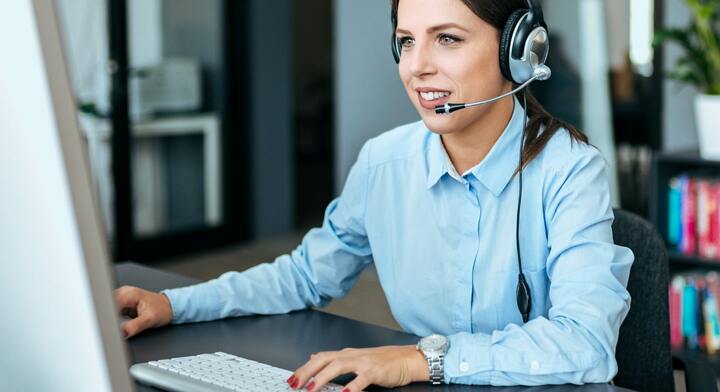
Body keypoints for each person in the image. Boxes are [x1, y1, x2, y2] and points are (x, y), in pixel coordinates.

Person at [115, 0, 634, 390]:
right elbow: (304, 276)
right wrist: (176, 305)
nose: (418, 66)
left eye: (447, 39)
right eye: (406, 41)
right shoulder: (385, 163)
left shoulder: (570, 171)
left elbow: (584, 341)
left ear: (518, 52)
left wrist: (420, 359)